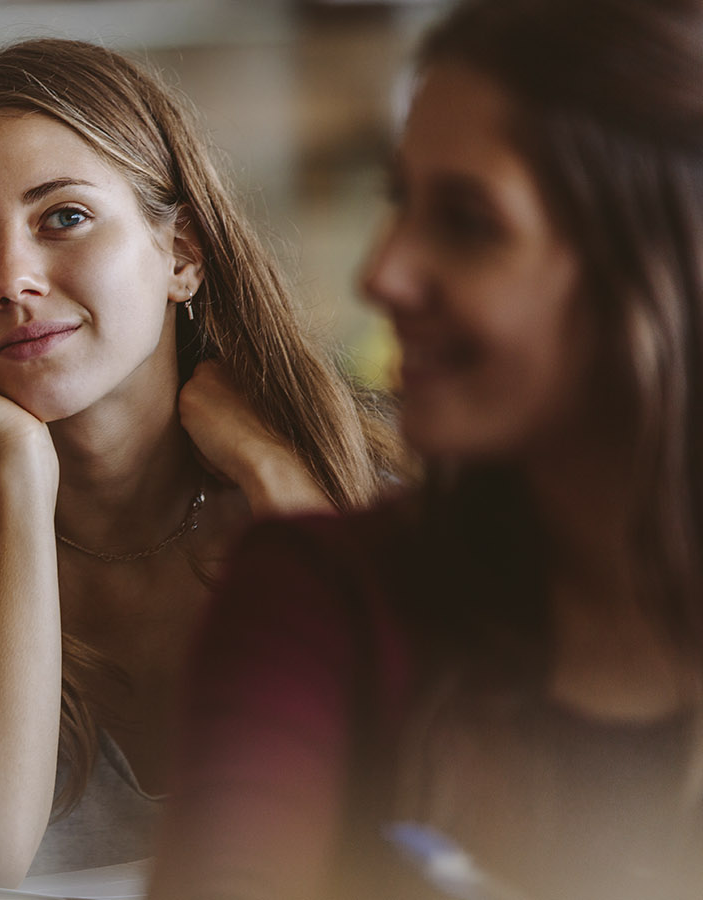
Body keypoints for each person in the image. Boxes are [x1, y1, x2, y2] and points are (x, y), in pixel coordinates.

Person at [0, 38, 402, 888]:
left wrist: (278, 484)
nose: (12, 280)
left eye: (65, 217)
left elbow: (432, 800)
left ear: (182, 255)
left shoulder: (361, 498)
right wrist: (19, 473)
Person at [149, 1, 703, 898]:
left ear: (659, 267)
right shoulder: (319, 598)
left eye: (470, 221)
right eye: (400, 201)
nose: (383, 272)